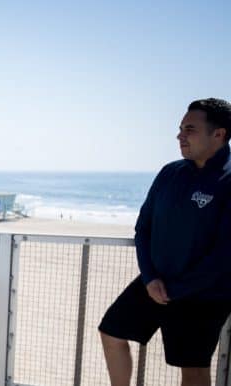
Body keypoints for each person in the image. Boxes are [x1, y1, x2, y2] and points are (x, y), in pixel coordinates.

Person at [99, 98, 231, 386]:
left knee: (193, 371)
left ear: (219, 134)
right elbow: (143, 228)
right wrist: (149, 278)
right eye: (180, 128)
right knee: (111, 331)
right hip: (155, 284)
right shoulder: (170, 173)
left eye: (190, 129)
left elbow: (225, 256)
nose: (180, 136)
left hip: (204, 297)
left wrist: (176, 289)